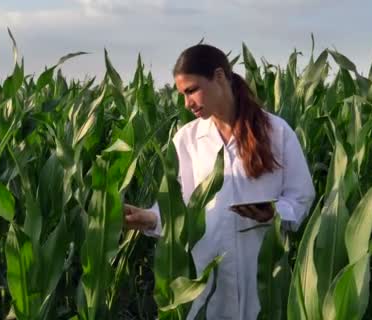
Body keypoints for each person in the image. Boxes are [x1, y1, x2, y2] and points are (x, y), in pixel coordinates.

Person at [123, 44, 315, 320]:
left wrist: (273, 213)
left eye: (192, 90)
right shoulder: (186, 140)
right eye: (183, 94)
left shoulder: (277, 132)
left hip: (262, 279)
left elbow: (301, 198)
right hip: (204, 280)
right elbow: (180, 211)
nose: (187, 103)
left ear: (219, 77)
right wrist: (150, 218)